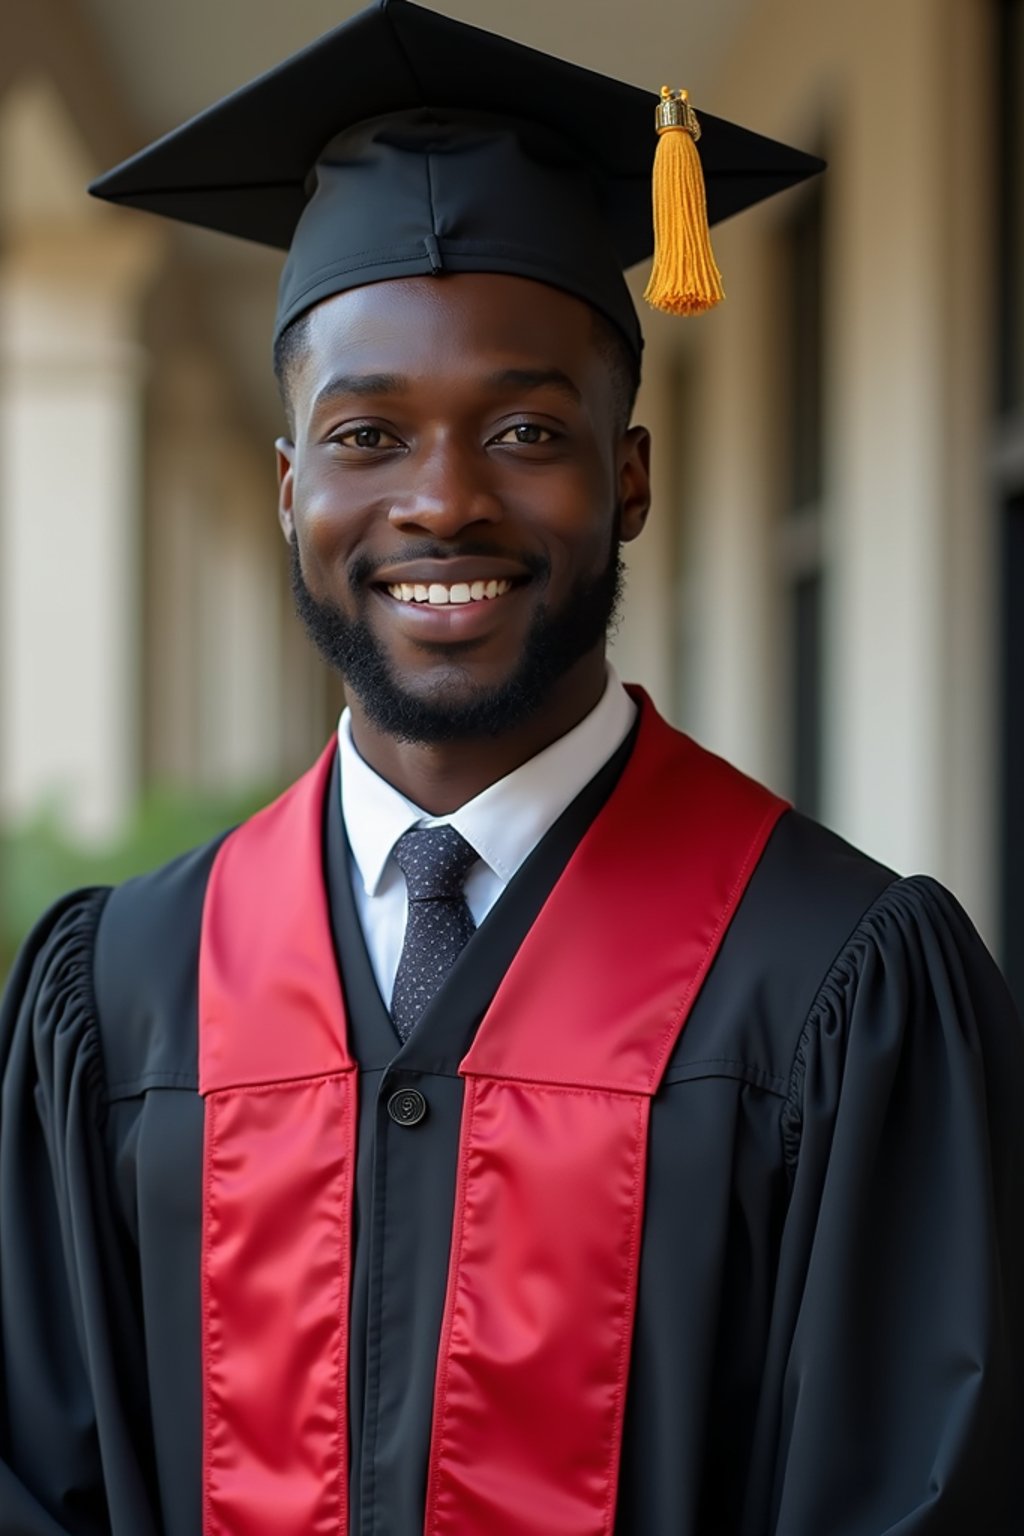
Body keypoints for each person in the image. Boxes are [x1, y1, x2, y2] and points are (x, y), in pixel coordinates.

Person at [1, 2, 1021, 1532]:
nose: (442, 502)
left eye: (528, 427)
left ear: (631, 479)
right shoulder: (130, 987)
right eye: (366, 436)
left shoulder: (839, 988)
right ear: (290, 494)